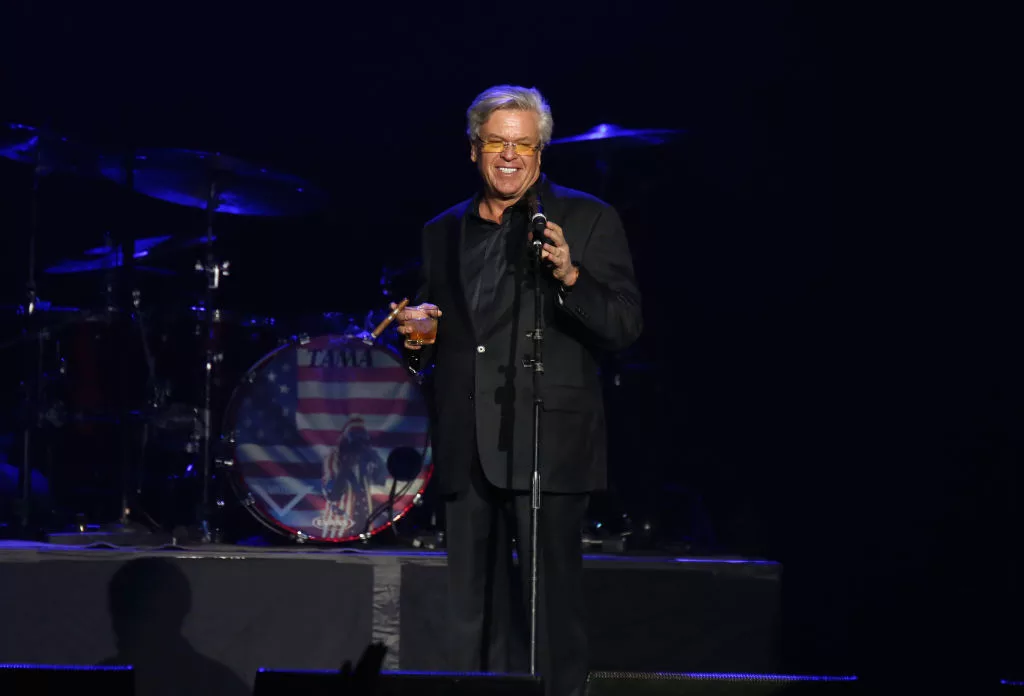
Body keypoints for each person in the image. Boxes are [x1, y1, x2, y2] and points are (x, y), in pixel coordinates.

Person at [393, 85, 642, 696]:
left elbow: (623, 326)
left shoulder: (587, 218)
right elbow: (449, 337)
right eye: (497, 143)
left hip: (548, 445)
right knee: (465, 615)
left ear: (541, 151)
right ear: (474, 149)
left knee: (549, 616)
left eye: (523, 145)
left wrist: (569, 274)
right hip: (465, 444)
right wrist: (422, 337)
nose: (510, 156)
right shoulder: (440, 229)